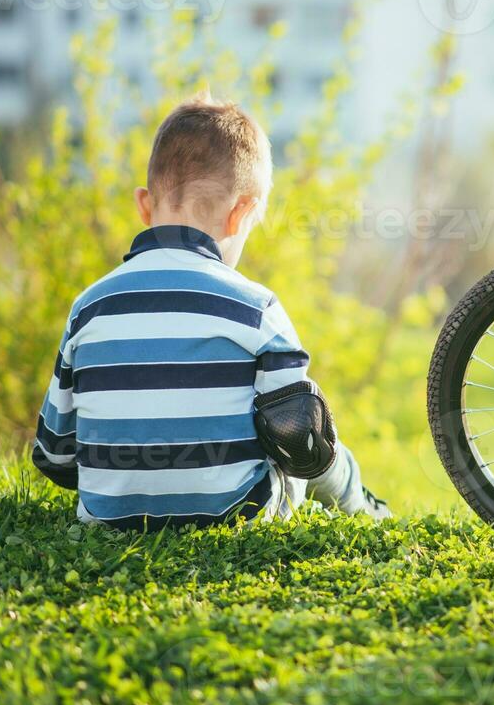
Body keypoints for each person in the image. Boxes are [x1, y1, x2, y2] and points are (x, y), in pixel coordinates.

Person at [29, 95, 390, 529]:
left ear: (144, 205)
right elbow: (299, 435)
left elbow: (54, 454)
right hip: (236, 516)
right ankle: (364, 507)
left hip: (107, 518)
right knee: (310, 434)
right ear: (242, 214)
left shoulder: (89, 307)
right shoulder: (257, 307)